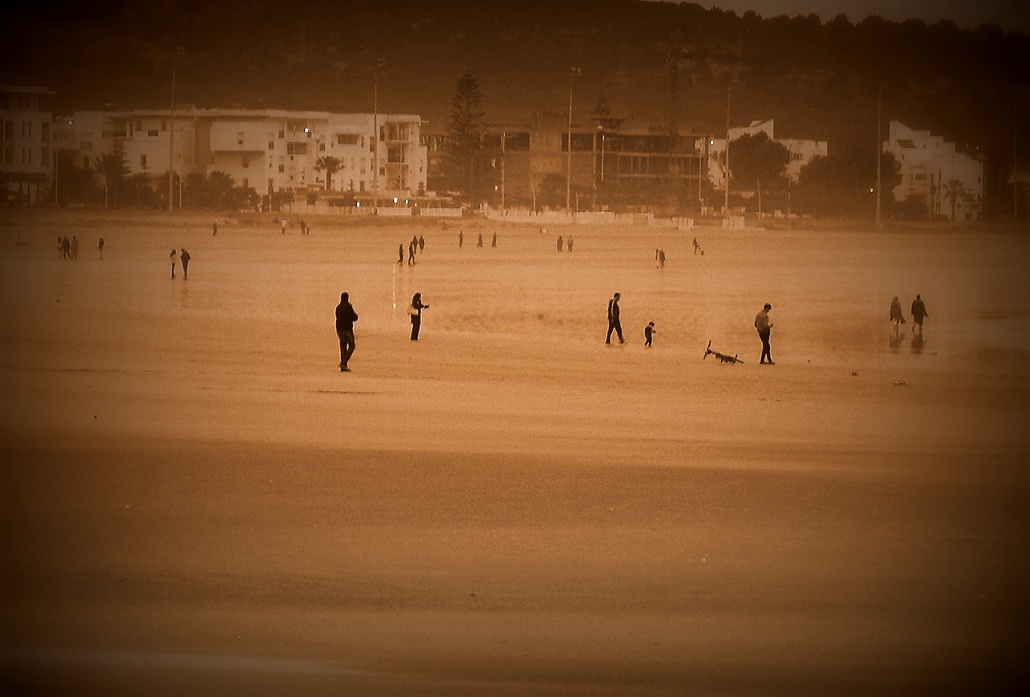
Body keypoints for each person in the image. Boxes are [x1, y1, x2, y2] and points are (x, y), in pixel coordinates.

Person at [335, 291, 358, 372]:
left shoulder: (338, 307)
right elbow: (355, 317)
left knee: (343, 348)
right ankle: (343, 362)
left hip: (339, 330)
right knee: (352, 346)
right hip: (348, 330)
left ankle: (343, 366)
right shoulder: (348, 307)